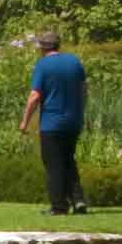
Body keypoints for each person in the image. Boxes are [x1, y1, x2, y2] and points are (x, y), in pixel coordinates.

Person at [19, 33, 89, 215]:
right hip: (73, 121)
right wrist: (80, 112)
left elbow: (35, 96)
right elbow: (83, 90)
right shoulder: (74, 62)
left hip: (52, 123)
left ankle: (58, 206)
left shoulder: (43, 65)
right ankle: (78, 200)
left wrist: (25, 121)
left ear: (42, 48)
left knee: (54, 164)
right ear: (58, 45)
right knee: (68, 160)